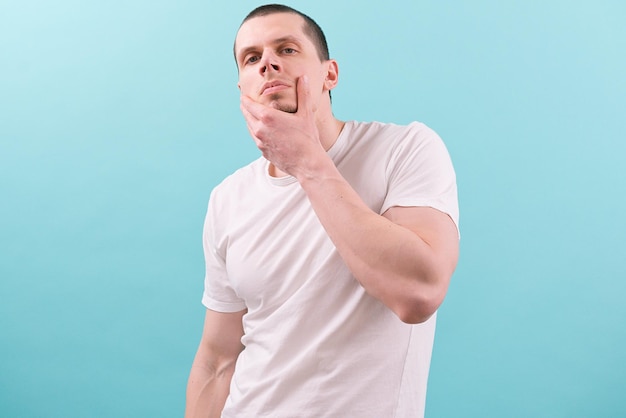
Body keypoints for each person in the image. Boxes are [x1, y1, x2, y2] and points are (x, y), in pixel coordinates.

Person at [185, 4, 459, 418]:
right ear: (242, 87)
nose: (268, 63)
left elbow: (419, 293)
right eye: (252, 58)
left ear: (330, 74)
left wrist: (307, 162)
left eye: (287, 49)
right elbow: (217, 361)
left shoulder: (404, 151)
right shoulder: (228, 198)